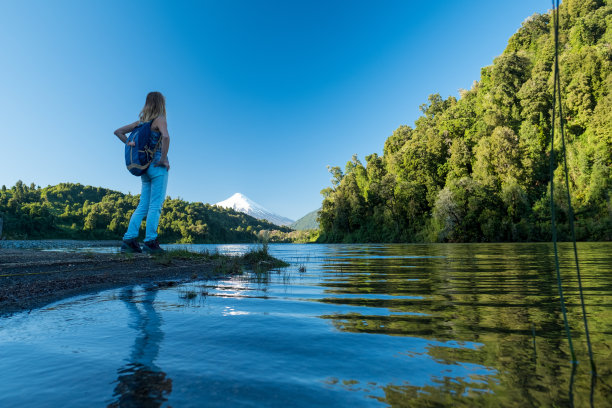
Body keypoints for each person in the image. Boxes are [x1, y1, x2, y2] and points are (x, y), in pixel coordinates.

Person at [114, 92, 170, 254]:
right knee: (155, 205)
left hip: (144, 167)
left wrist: (129, 143)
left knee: (143, 205)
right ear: (160, 104)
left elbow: (118, 131)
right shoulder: (160, 119)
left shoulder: (140, 122)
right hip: (157, 166)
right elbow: (165, 137)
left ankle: (129, 240)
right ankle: (150, 241)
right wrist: (163, 159)